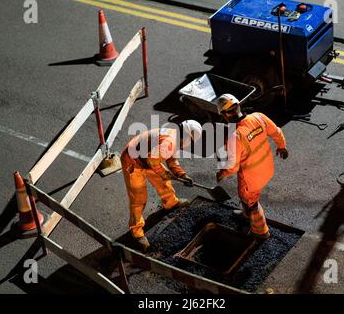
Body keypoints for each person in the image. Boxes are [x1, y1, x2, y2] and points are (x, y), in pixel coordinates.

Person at [121, 120, 202, 251]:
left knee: (164, 184)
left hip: (147, 157)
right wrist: (165, 174)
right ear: (187, 137)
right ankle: (136, 232)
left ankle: (171, 203)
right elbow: (152, 161)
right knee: (138, 199)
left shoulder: (174, 136)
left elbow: (170, 158)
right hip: (133, 160)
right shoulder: (169, 141)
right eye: (191, 142)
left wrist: (181, 174)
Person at [216, 94, 288, 239]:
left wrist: (222, 173)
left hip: (251, 178)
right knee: (247, 198)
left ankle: (260, 232)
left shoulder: (234, 137)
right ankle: (246, 215)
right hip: (267, 168)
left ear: (224, 114)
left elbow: (233, 167)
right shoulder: (258, 117)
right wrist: (282, 147)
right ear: (238, 106)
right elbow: (276, 132)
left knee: (250, 202)